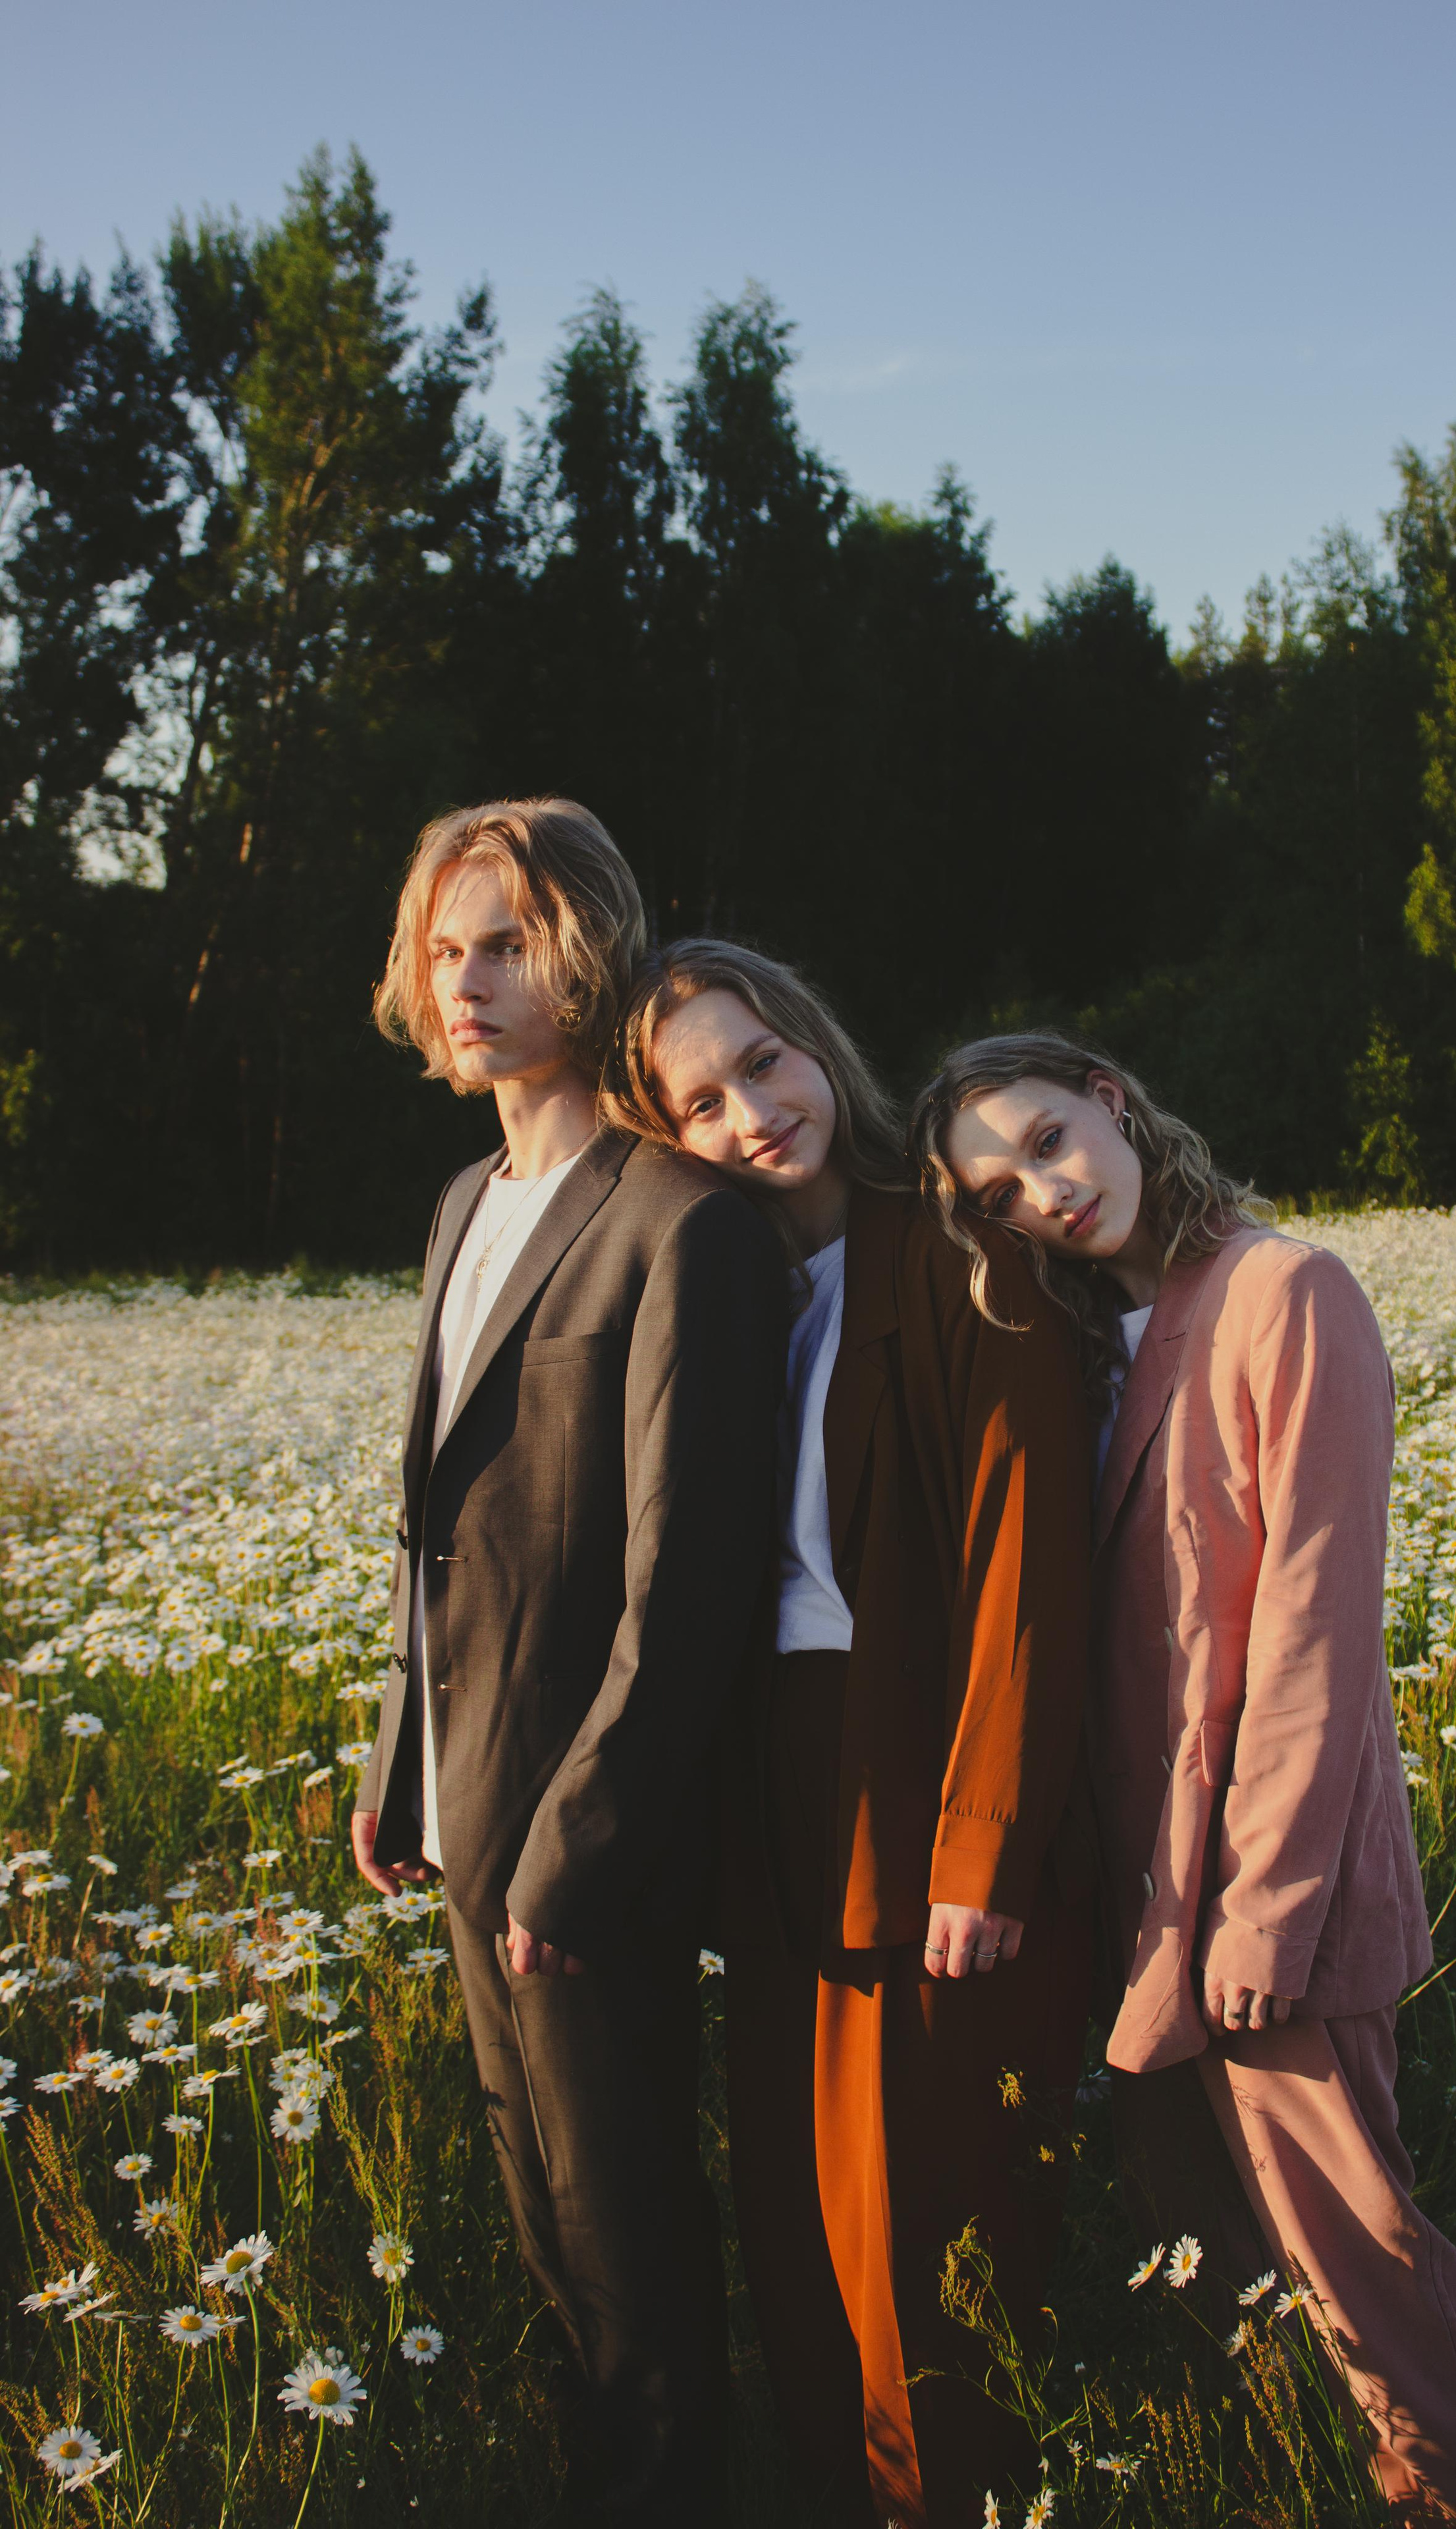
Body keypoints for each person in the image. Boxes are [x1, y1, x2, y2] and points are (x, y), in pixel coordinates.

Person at [911, 1031, 1456, 2529]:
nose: (1038, 1193)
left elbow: (1314, 1630)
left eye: (1047, 1141)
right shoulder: (1085, 1340)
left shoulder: (1280, 1292)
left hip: (1268, 1892)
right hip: (1143, 1896)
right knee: (1219, 2281)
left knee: (1355, 2266)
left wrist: (1262, 1921)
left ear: (1111, 1103)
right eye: (995, 1188)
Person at [610, 942, 1094, 2529]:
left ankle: (951, 2505)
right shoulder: (717, 1293)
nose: (749, 1113)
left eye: (762, 1062)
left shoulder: (956, 1256)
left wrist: (984, 1840)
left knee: (924, 2219)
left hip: (921, 1780)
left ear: (816, 1042)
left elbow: (1031, 1568)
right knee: (798, 2212)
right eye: (698, 1100)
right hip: (772, 1803)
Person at [350, 802, 786, 2528]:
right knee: (541, 2227)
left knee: (632, 2240)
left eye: (508, 943)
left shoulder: (685, 1219)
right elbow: (436, 1519)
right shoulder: (468, 1200)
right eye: (446, 947)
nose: (468, 981)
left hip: (581, 1835)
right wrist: (402, 1761)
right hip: (461, 1806)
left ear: (588, 949)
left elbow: (688, 1582)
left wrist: (578, 1843)